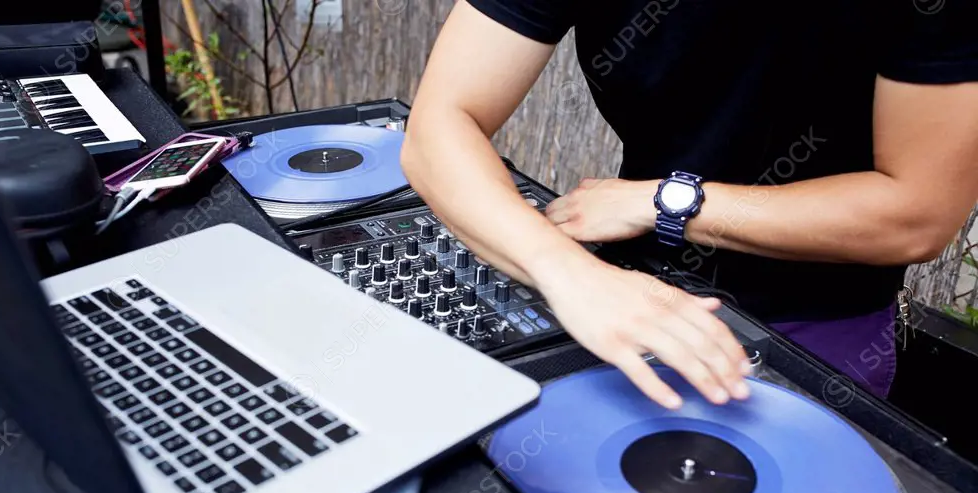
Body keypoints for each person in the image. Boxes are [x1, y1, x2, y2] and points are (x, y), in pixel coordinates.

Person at [400, 0, 978, 409]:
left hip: (819, 327)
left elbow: (916, 214)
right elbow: (439, 128)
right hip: (625, 288)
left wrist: (665, 203)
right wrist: (567, 273)